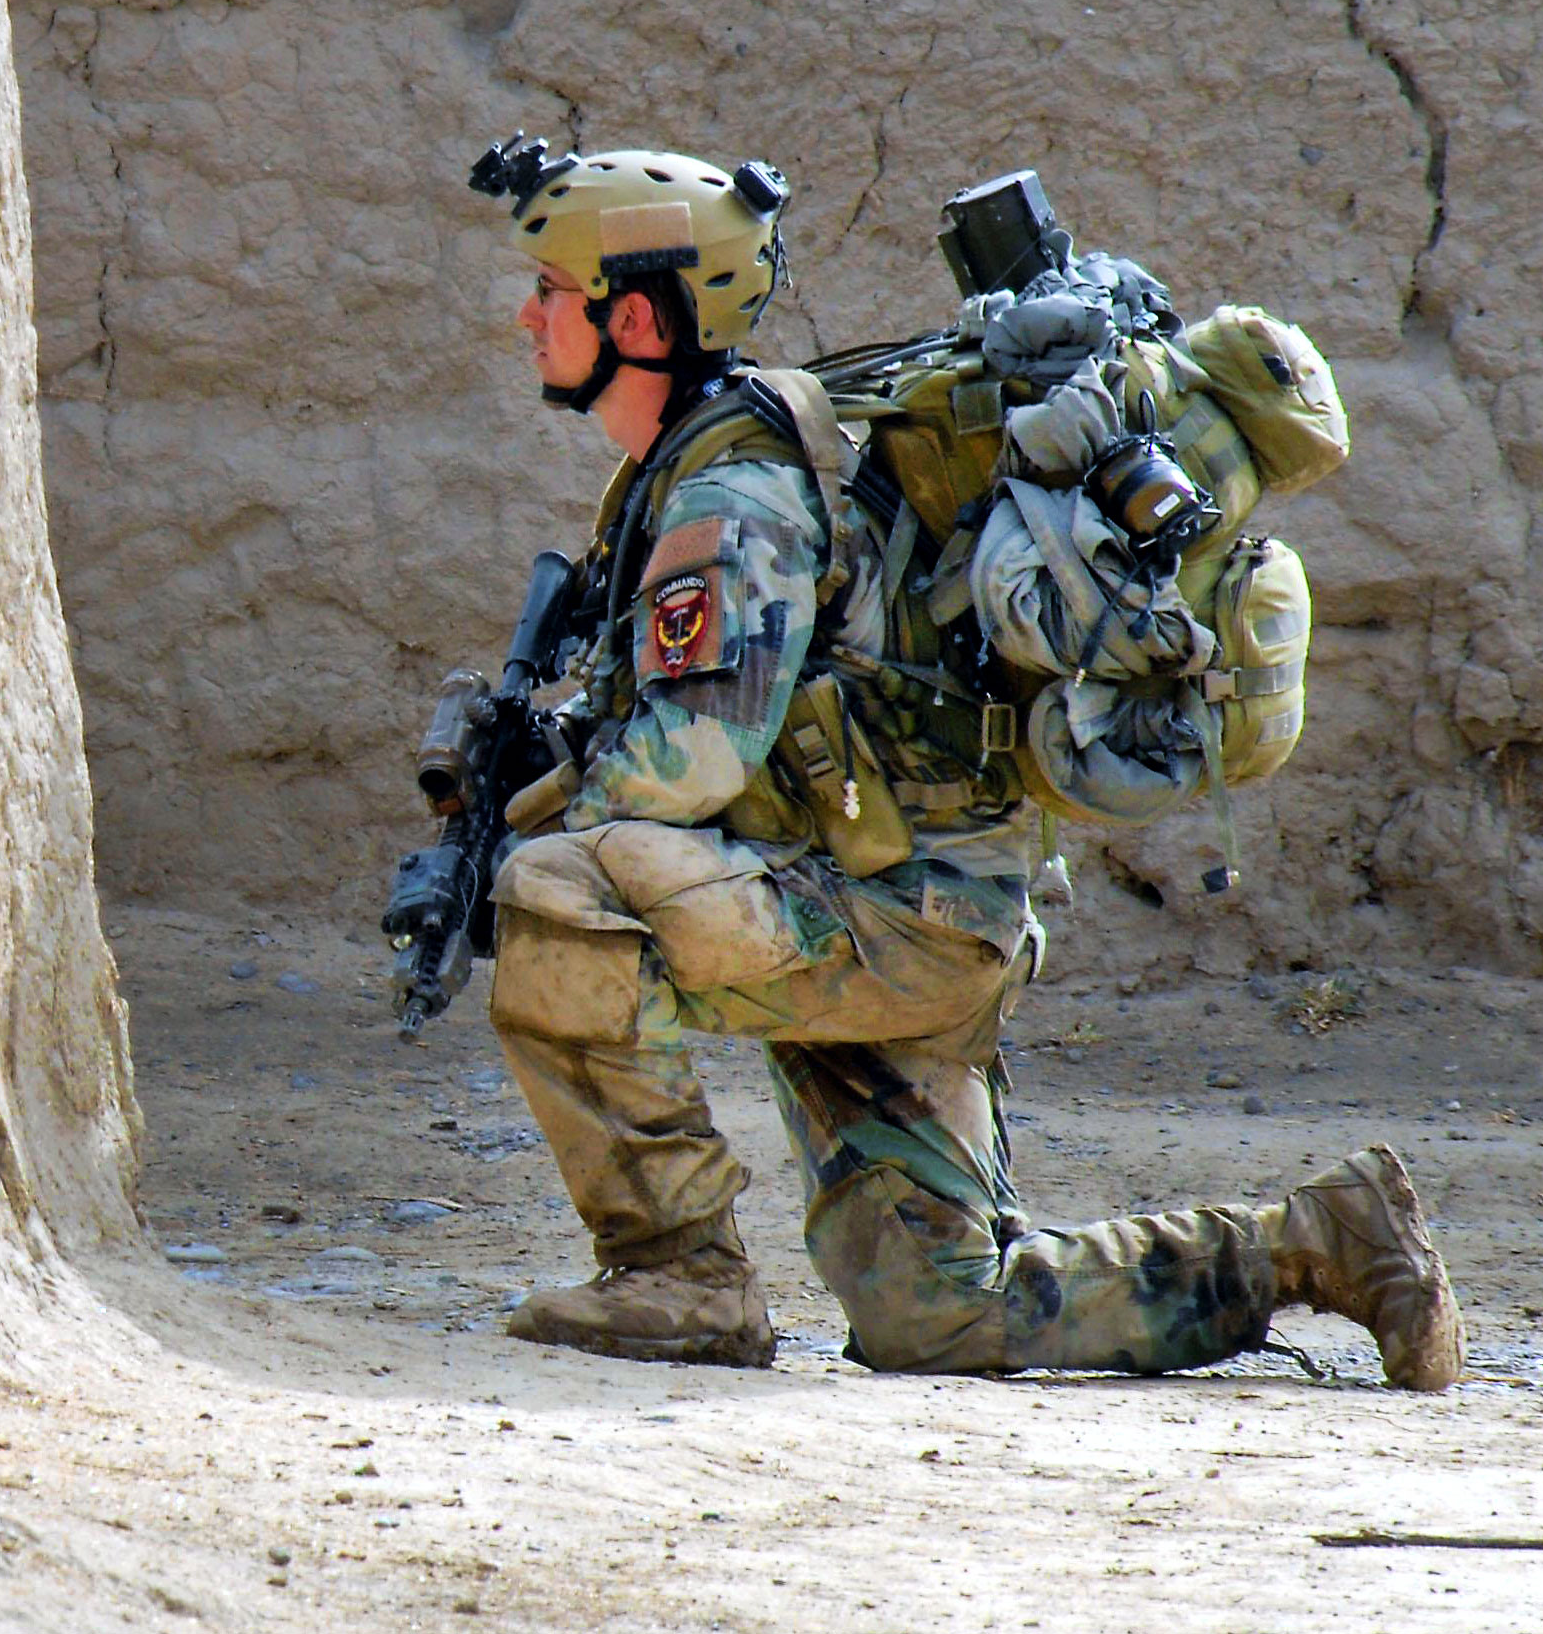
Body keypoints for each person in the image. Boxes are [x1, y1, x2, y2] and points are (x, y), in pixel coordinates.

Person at [462, 135, 1464, 1387]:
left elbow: (690, 763)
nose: (525, 315)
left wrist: (534, 817)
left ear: (639, 315)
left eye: (551, 291)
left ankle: (678, 1278)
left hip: (882, 922)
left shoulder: (739, 490)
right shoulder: (709, 463)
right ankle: (1321, 1243)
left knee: (559, 892)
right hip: (906, 900)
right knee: (936, 1314)